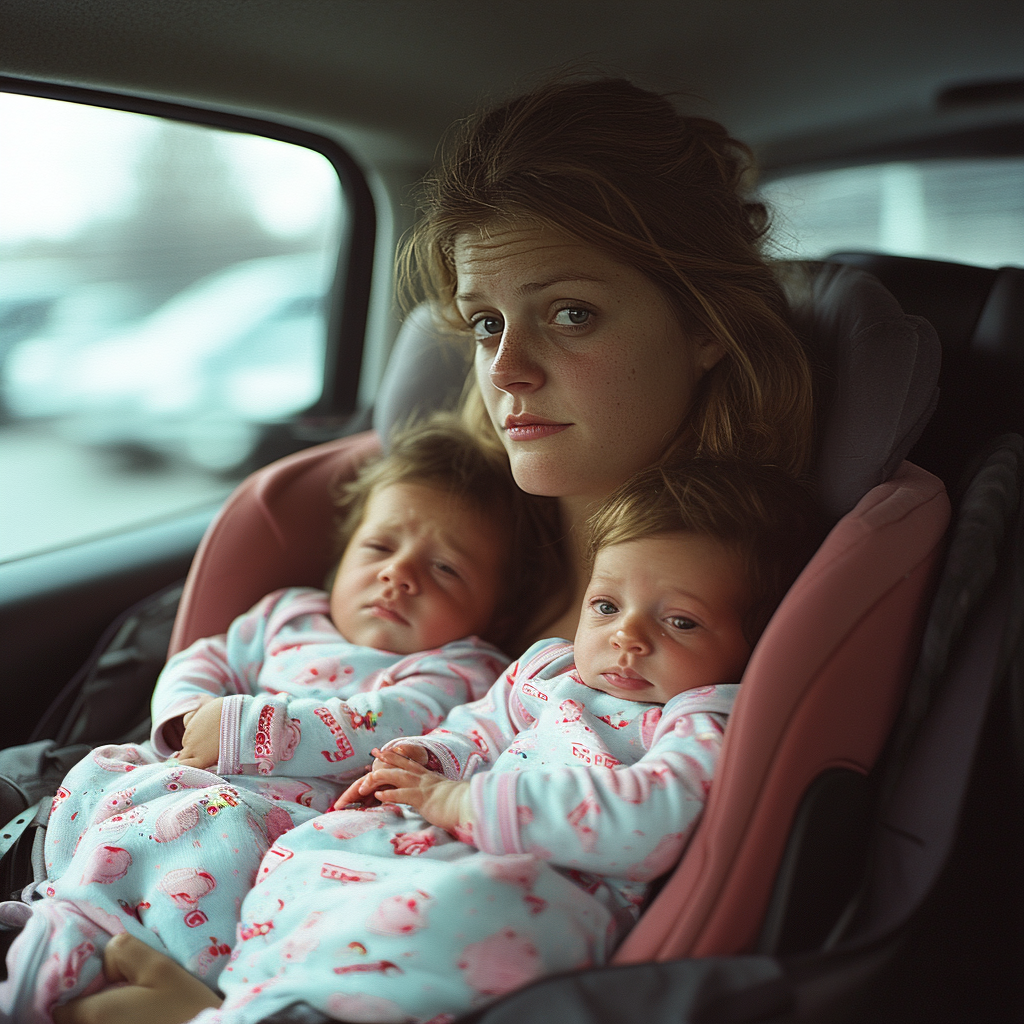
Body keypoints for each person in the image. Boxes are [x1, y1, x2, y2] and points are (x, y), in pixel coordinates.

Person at [51, 74, 817, 1023]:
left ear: (703, 324)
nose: (506, 369)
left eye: (570, 312)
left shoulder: (741, 599)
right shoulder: (449, 527)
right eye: (486, 323)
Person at [127, 458, 822, 1024]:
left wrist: (462, 802)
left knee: (446, 920)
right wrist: (430, 760)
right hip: (414, 845)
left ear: (748, 645)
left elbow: (649, 821)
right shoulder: (547, 669)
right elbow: (478, 730)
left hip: (532, 884)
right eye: (607, 606)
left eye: (681, 622)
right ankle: (257, 1000)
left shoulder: (700, 719)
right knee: (302, 857)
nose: (628, 637)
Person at [0, 415, 555, 1023]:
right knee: (120, 790)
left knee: (219, 838)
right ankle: (71, 913)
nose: (400, 573)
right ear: (340, 557)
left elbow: (380, 723)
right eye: (378, 547)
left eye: (446, 568)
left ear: (494, 614)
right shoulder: (287, 615)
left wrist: (244, 726)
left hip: (283, 820)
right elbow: (203, 659)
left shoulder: (461, 668)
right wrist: (188, 719)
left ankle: (101, 949)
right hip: (184, 781)